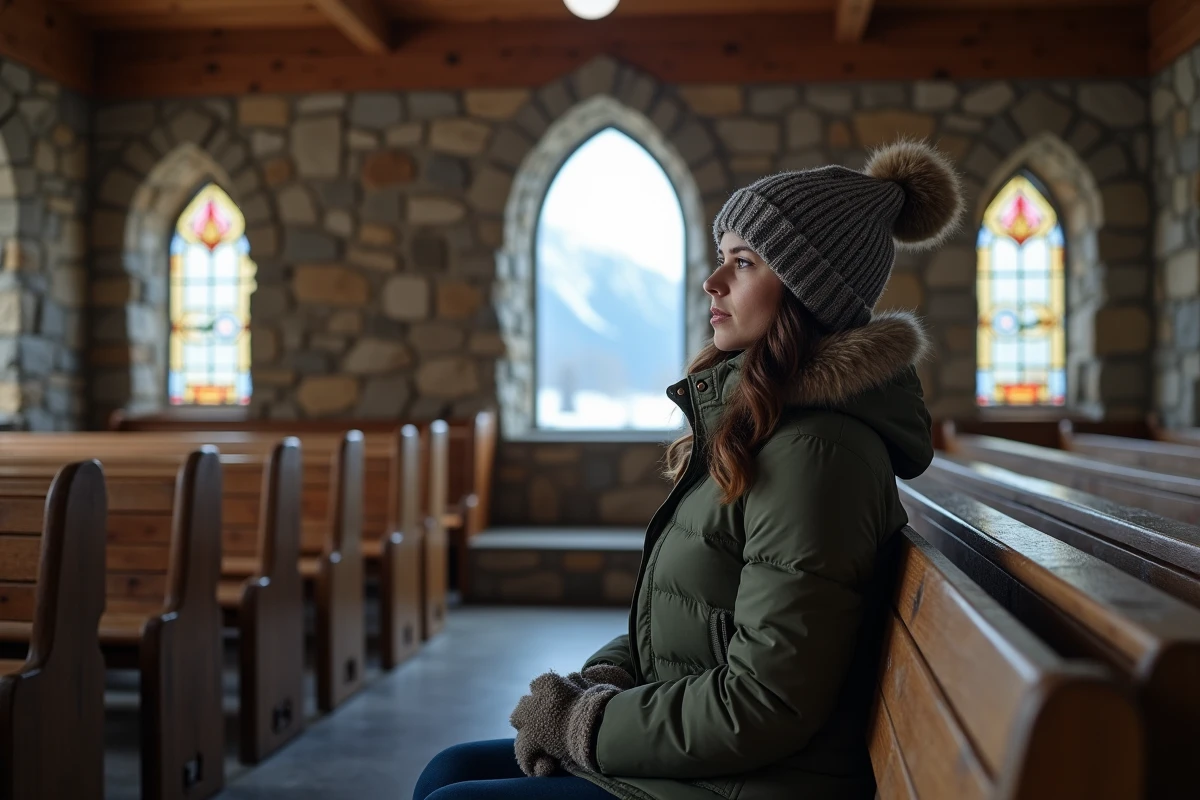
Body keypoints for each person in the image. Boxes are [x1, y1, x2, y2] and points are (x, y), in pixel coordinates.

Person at [413, 139, 961, 800]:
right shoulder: (762, 428)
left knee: (452, 797)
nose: (713, 282)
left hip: (748, 783)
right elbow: (685, 627)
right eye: (720, 257)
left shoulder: (819, 457)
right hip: (712, 762)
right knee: (447, 771)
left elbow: (764, 705)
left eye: (743, 262)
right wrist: (603, 681)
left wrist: (585, 726)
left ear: (806, 291)